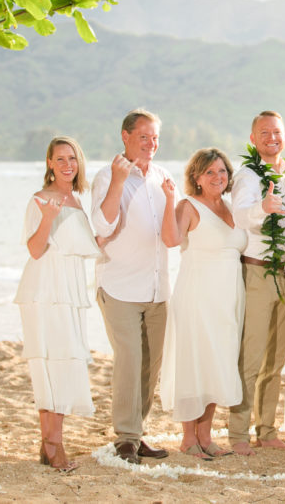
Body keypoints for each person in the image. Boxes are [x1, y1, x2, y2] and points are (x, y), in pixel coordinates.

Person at [90, 109, 176, 464]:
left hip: (158, 288)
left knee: (151, 365)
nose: (151, 144)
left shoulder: (164, 177)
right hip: (120, 285)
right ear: (125, 136)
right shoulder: (106, 176)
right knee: (129, 359)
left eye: (155, 138)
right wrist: (116, 181)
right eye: (144, 137)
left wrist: (174, 200)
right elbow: (102, 226)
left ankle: (136, 434)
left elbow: (170, 235)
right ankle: (125, 437)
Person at [16, 136, 100, 472]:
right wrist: (48, 218)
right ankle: (54, 445)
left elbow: (85, 245)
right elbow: (35, 250)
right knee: (49, 363)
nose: (67, 165)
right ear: (49, 163)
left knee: (66, 361)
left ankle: (50, 442)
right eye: (60, 159)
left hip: (70, 290)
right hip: (45, 290)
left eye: (73, 159)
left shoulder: (77, 199)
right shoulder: (41, 199)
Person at [160, 148, 246, 460]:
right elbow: (171, 240)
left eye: (222, 171)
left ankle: (205, 436)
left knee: (216, 361)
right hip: (197, 295)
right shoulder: (188, 205)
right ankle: (187, 438)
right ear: (196, 178)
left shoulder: (232, 207)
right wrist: (170, 203)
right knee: (194, 360)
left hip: (228, 297)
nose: (217, 177)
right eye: (209, 172)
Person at [228, 111, 285, 455]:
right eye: (265, 132)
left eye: (278, 132)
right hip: (256, 273)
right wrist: (263, 208)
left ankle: (268, 429)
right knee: (251, 357)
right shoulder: (246, 176)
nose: (272, 137)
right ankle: (238, 433)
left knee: (277, 358)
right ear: (254, 139)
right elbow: (239, 216)